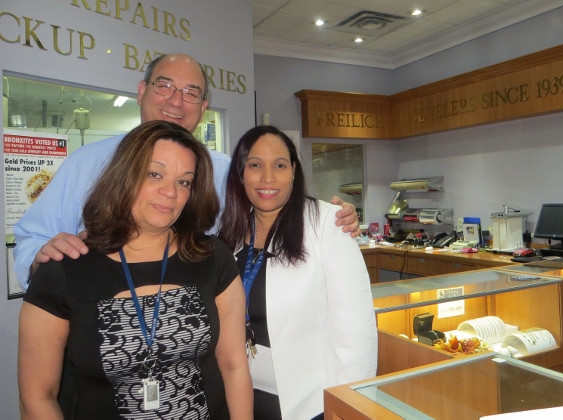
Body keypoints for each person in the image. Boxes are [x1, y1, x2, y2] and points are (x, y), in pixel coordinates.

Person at [12, 53, 359, 289]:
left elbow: (272, 215)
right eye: (164, 86)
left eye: (191, 93)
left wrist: (329, 219)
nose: (176, 102)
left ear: (204, 108)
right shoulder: (87, 163)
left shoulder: (224, 171)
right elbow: (31, 240)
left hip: (196, 340)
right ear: (141, 91)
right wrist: (39, 258)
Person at [18, 120, 252, 419]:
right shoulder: (65, 269)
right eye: (155, 174)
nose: (170, 192)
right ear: (125, 176)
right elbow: (37, 397)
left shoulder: (212, 257)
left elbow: (233, 364)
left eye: (184, 181)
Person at [218, 125, 378, 420]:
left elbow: (358, 331)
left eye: (279, 165)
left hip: (308, 402)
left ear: (293, 170)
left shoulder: (327, 222)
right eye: (255, 165)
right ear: (241, 174)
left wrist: (349, 407)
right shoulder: (230, 233)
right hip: (243, 397)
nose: (268, 177)